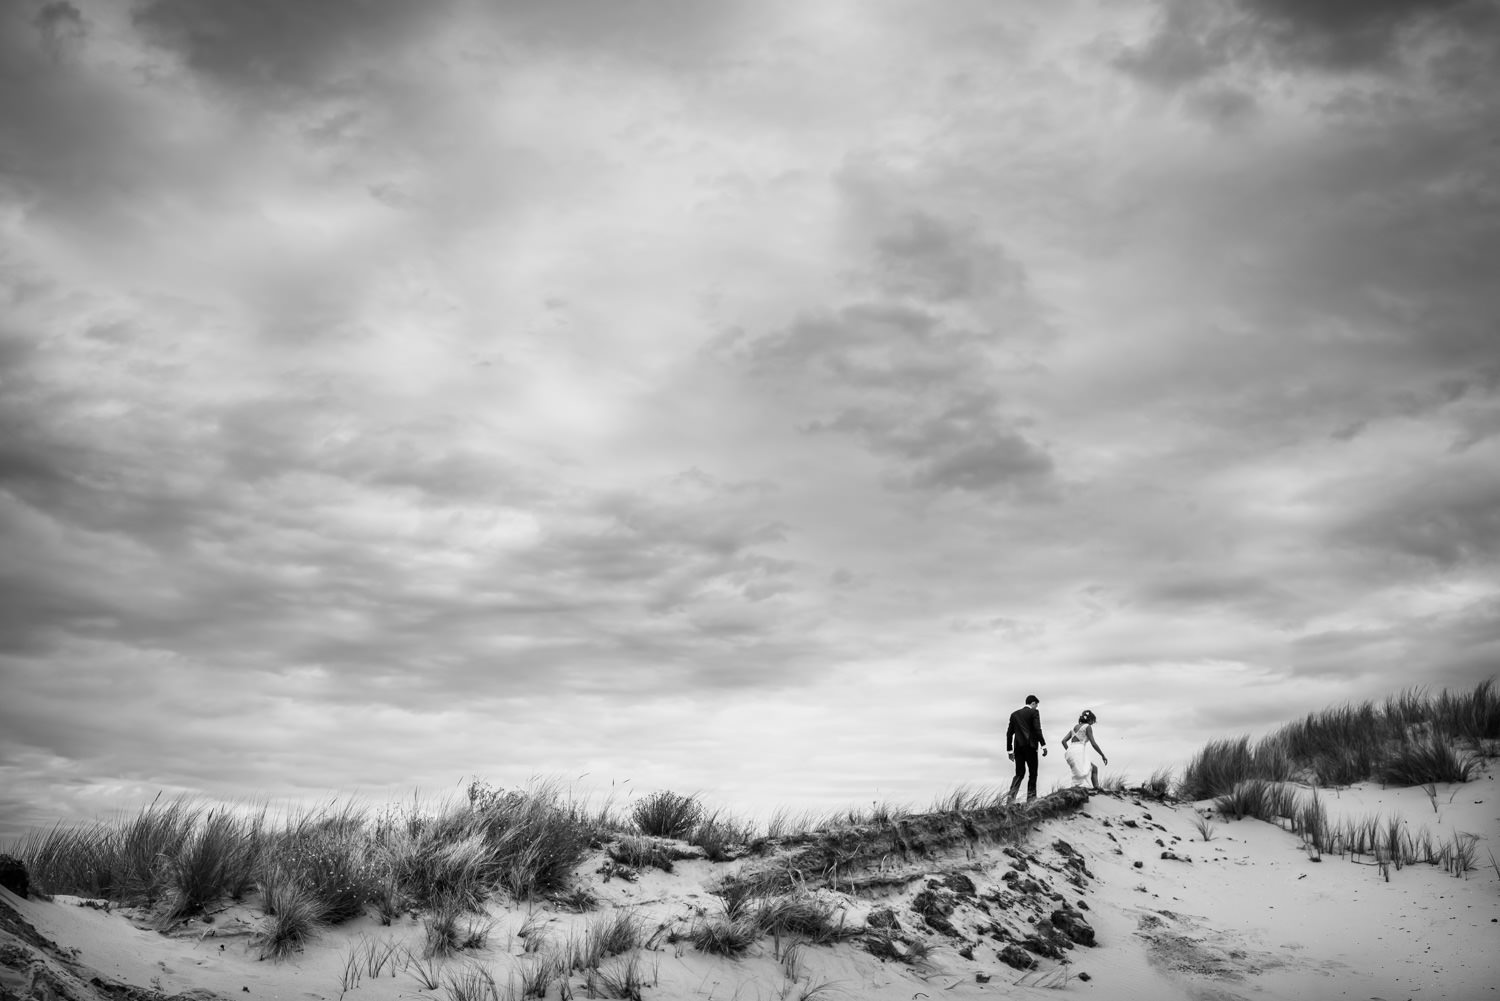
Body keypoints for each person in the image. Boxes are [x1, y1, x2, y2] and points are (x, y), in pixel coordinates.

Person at [1005, 694, 1047, 803]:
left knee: (1019, 773)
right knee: (1033, 773)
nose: (1036, 708)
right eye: (1036, 705)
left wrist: (1009, 751)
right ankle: (1031, 799)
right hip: (1031, 747)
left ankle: (1010, 799)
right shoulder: (1034, 712)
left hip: (1018, 748)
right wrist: (1043, 745)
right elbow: (1038, 729)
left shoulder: (1014, 715)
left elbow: (1009, 734)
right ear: (1033, 703)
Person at [1061, 710, 1108, 791]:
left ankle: (1095, 788)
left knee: (1085, 770)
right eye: (1093, 721)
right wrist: (1102, 755)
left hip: (1070, 751)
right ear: (1090, 719)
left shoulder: (1073, 727)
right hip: (1079, 751)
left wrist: (1069, 750)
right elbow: (1093, 743)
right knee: (1085, 771)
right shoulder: (1087, 727)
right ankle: (1096, 789)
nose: (1093, 723)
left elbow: (1063, 741)